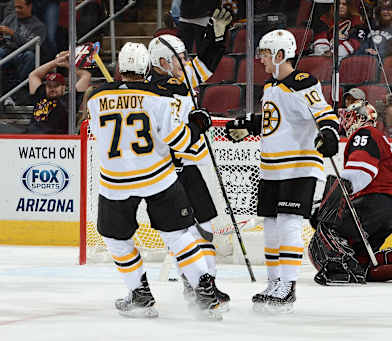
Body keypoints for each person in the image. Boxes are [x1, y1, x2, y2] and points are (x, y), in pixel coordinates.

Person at [86, 42, 223, 320]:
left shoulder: (94, 98)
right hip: (157, 176)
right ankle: (205, 291)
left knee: (116, 239)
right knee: (179, 235)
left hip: (116, 181)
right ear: (147, 68)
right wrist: (198, 124)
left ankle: (140, 296)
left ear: (120, 69)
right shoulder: (160, 97)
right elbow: (181, 142)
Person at [225, 29, 340, 313]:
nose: (260, 59)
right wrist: (248, 125)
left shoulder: (302, 83)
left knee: (288, 221)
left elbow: (323, 113)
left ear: (279, 55)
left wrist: (329, 133)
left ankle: (287, 286)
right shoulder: (270, 87)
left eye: (264, 54)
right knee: (272, 225)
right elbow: (274, 121)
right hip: (271, 168)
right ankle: (274, 283)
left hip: (299, 166)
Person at [147, 7, 232, 310]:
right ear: (161, 63)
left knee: (205, 225)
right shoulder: (156, 90)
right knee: (185, 231)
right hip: (169, 171)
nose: (185, 63)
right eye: (179, 58)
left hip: (188, 166)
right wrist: (195, 124)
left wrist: (217, 35)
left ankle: (205, 284)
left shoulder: (178, 78)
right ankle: (195, 283)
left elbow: (206, 63)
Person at [308, 100, 392, 285]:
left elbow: (359, 173)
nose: (345, 122)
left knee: (326, 230)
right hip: (389, 211)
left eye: (349, 117)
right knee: (362, 261)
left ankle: (341, 272)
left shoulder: (365, 133)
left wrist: (326, 207)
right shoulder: (376, 136)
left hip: (371, 205)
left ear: (359, 117)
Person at [28, 50, 91, 134]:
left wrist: (68, 65)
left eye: (56, 86)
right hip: (30, 138)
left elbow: (86, 76)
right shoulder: (41, 94)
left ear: (64, 88)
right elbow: (33, 75)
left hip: (56, 141)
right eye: (49, 86)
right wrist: (55, 62)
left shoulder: (69, 100)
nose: (52, 89)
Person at [0, 0, 46, 99]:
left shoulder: (38, 26)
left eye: (20, 7)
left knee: (30, 56)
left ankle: (14, 89)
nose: (17, 10)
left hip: (23, 54)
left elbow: (32, 46)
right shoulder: (10, 18)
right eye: (16, 7)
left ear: (30, 7)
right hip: (6, 50)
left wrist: (13, 34)